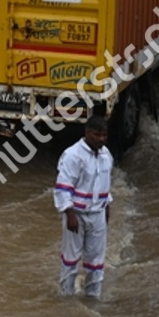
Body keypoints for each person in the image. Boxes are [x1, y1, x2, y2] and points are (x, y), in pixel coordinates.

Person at [55, 113, 113, 298]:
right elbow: (63, 187)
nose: (101, 139)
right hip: (77, 214)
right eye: (97, 135)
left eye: (104, 135)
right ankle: (66, 297)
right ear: (87, 132)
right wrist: (70, 214)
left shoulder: (106, 155)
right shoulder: (72, 155)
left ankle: (93, 297)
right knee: (71, 258)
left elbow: (106, 184)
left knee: (96, 261)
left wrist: (107, 208)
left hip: (97, 213)